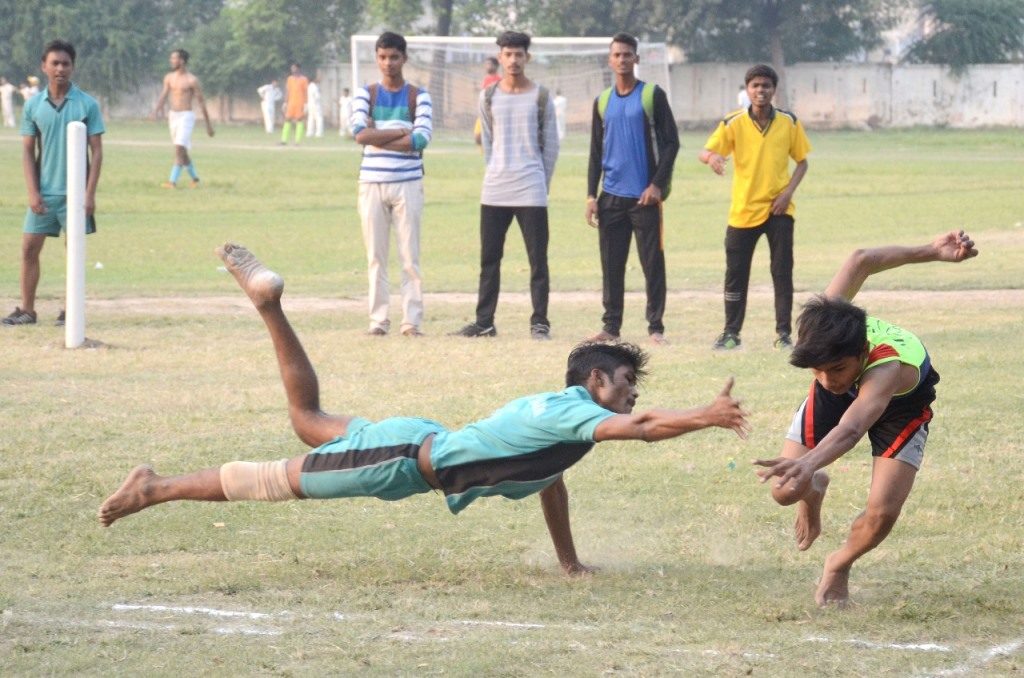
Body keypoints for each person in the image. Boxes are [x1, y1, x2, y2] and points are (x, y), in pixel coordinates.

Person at [98, 242, 750, 575]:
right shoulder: (576, 410)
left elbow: (552, 485)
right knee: (273, 480)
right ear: (599, 378)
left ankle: (269, 305)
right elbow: (637, 428)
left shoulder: (566, 424)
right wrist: (703, 415)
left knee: (309, 419)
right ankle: (154, 488)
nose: (634, 394)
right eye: (629, 381)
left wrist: (568, 562)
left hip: (417, 441)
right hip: (403, 460)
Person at [753, 230, 978, 607]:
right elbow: (861, 260)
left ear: (861, 352)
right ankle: (815, 488)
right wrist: (932, 250)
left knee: (882, 513)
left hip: (900, 407)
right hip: (844, 403)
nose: (827, 379)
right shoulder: (824, 325)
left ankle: (839, 564)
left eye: (837, 368)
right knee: (784, 491)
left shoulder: (886, 364)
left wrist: (806, 461)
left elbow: (852, 428)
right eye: (817, 370)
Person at [452, 31, 559, 340]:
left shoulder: (541, 96)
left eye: (519, 54)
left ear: (527, 57)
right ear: (500, 57)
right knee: (489, 259)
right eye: (508, 54)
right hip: (495, 189)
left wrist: (542, 182)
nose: (513, 60)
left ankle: (540, 322)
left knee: (538, 260)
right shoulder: (488, 96)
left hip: (531, 189)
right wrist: (495, 172)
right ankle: (484, 321)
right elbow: (487, 140)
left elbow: (551, 145)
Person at [699, 64, 810, 351]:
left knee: (782, 272)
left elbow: (802, 162)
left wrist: (787, 194)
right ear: (747, 90)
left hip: (779, 210)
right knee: (736, 273)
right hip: (743, 211)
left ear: (774, 90)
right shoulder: (733, 122)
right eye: (755, 86)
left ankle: (784, 334)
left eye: (766, 86)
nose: (760, 91)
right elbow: (706, 151)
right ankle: (731, 333)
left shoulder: (789, 122)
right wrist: (712, 158)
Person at [586, 33, 680, 347]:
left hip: (644, 197)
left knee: (652, 263)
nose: (622, 60)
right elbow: (595, 152)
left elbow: (671, 143)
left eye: (628, 55)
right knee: (611, 265)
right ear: (609, 60)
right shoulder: (602, 101)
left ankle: (656, 328)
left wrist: (656, 184)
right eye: (617, 55)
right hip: (610, 196)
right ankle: (611, 327)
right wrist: (590, 195)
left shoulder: (652, 95)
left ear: (636, 59)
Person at [3, 40, 104, 327]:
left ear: (73, 67)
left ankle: (69, 310)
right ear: (44, 66)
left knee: (74, 252)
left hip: (75, 194)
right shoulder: (33, 104)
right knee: (28, 249)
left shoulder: (86, 104)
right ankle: (27, 310)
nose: (60, 68)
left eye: (66, 63)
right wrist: (33, 192)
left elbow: (96, 151)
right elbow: (26, 150)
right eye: (55, 63)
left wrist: (89, 193)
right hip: (44, 193)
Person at [351, 32, 432, 337]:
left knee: (410, 256)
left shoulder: (418, 96)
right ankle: (378, 320)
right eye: (383, 57)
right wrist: (401, 131)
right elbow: (359, 134)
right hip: (371, 182)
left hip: (408, 183)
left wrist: (378, 136)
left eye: (394, 57)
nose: (388, 63)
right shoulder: (366, 94)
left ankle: (411, 321)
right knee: (375, 256)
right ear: (376, 58)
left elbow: (422, 138)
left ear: (404, 58)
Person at [152, 49, 214, 189]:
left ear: (182, 61)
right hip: (173, 116)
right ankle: (195, 180)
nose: (171, 61)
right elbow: (163, 95)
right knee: (182, 151)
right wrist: (156, 111)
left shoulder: (192, 80)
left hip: (186, 116)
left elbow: (201, 101)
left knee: (179, 148)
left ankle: (172, 181)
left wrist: (208, 125)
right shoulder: (169, 77)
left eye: (174, 58)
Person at [474, 57, 501, 147]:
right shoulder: (486, 79)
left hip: (492, 113)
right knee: (478, 136)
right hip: (483, 111)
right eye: (486, 64)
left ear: (496, 66)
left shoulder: (499, 79)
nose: (487, 66)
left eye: (489, 64)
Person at [280, 63, 308, 146]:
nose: (292, 69)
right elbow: (288, 91)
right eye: (292, 68)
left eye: (294, 68)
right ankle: (284, 140)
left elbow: (306, 92)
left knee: (299, 120)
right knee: (287, 119)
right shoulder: (290, 79)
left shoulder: (304, 79)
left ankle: (297, 141)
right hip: (291, 103)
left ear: (298, 69)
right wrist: (285, 102)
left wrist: (306, 104)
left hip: (300, 102)